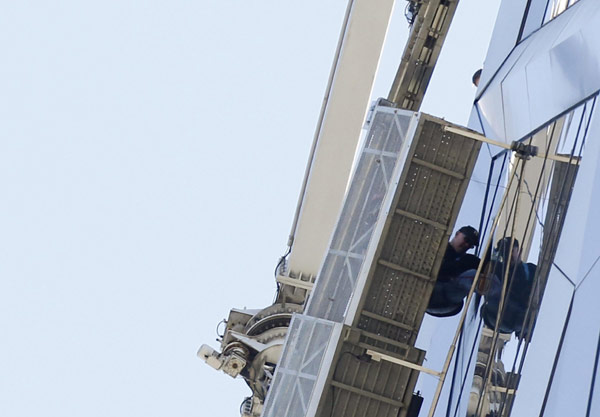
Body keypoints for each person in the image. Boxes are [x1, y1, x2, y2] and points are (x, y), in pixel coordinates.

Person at [481, 237, 537, 336]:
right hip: (500, 313)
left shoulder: (531, 269)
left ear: (519, 251)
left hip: (519, 316)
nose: (508, 255)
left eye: (511, 251)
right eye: (504, 252)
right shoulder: (496, 268)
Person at [427, 226, 481, 317]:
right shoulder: (439, 250)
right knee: (472, 275)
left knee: (476, 269)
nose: (467, 245)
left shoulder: (468, 260)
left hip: (447, 303)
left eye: (471, 245)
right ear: (457, 234)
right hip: (434, 293)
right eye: (466, 240)